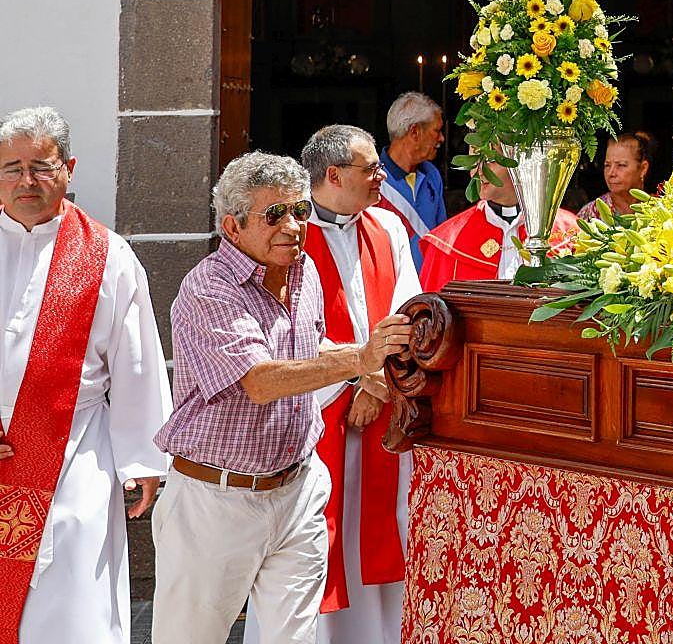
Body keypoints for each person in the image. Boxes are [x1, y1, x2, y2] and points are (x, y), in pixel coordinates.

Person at [151, 152, 410, 644]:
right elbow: (260, 379)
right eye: (275, 215)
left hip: (296, 490)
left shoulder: (302, 271)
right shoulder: (208, 287)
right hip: (217, 500)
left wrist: (366, 374)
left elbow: (307, 348)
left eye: (300, 211)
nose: (293, 226)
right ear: (233, 226)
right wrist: (360, 359)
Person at [0, 106, 170, 644]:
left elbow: (136, 360)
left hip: (75, 453)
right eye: (12, 167)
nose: (26, 181)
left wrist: (145, 459)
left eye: (41, 166)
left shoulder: (107, 255)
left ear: (68, 168)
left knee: (70, 600)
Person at [259, 125, 422, 644]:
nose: (380, 176)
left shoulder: (388, 228)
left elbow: (407, 309)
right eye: (370, 168)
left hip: (382, 407)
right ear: (332, 175)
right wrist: (352, 385)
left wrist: (380, 386)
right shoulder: (287, 236)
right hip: (314, 414)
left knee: (380, 531)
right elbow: (280, 326)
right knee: (311, 541)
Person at [419, 159, 576, 292]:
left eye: (489, 160)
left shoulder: (571, 233)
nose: (478, 171)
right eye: (473, 159)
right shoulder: (445, 244)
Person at [378, 92, 447, 267]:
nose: (442, 139)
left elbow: (442, 238)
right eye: (437, 131)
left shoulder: (432, 175)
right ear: (415, 131)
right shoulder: (372, 179)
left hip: (429, 288)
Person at [593, 130, 656, 216]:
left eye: (621, 165)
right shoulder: (592, 213)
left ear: (643, 168)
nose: (611, 173)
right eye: (607, 165)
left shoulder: (658, 209)